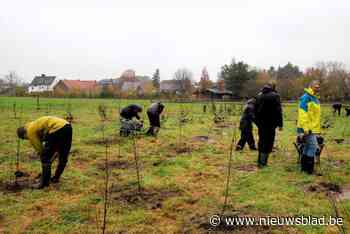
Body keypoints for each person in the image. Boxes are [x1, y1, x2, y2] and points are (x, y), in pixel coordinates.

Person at [17, 116, 72, 189]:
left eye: (25, 138)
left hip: (56, 128)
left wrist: (44, 155)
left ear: (24, 134)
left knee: (45, 157)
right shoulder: (33, 125)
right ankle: (55, 178)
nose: (27, 139)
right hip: (67, 126)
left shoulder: (29, 131)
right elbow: (45, 138)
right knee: (63, 156)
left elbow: (40, 149)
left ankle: (44, 183)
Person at [255, 82, 283, 167]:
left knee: (261, 141)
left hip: (261, 123)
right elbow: (278, 111)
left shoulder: (259, 95)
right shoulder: (275, 96)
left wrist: (257, 122)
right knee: (268, 142)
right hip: (271, 123)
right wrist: (280, 124)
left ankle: (260, 162)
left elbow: (255, 110)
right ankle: (263, 163)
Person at [297, 81, 321, 174]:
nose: (317, 88)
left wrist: (317, 129)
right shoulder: (306, 97)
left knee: (307, 147)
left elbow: (315, 116)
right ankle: (309, 170)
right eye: (316, 86)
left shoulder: (315, 98)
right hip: (306, 127)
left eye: (318, 87)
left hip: (312, 127)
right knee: (313, 147)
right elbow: (302, 114)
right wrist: (305, 128)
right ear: (310, 86)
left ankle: (304, 169)